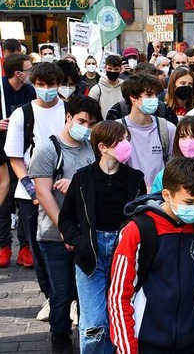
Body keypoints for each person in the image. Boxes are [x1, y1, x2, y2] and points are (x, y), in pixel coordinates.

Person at [109, 157, 194, 354]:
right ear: (167, 195)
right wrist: (127, 349)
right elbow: (119, 297)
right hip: (147, 343)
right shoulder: (137, 231)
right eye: (189, 201)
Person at [58, 121, 146, 354]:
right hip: (91, 254)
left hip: (124, 251)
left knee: (121, 315)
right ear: (103, 147)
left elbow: (142, 217)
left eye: (127, 139)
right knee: (94, 322)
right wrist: (79, 241)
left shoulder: (135, 178)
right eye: (120, 141)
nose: (126, 145)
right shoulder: (83, 178)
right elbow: (66, 218)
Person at [29, 95, 102, 353]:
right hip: (54, 234)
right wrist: (65, 230)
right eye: (82, 120)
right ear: (68, 117)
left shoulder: (92, 148)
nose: (86, 127)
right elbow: (43, 193)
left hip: (86, 233)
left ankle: (86, 332)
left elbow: (97, 184)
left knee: (86, 290)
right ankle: (59, 335)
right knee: (61, 292)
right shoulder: (48, 149)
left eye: (91, 123)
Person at [4, 62, 69, 320]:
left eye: (51, 85)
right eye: (41, 85)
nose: (47, 90)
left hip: (66, 188)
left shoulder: (69, 110)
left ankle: (70, 298)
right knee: (40, 249)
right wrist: (32, 189)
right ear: (34, 84)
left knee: (68, 244)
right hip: (30, 195)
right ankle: (51, 298)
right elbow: (15, 158)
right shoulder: (23, 114)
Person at [0, 53, 37, 268]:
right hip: (2, 154)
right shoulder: (1, 89)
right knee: (4, 202)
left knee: (25, 200)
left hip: (23, 154)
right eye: (28, 69)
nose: (30, 73)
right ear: (17, 73)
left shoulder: (29, 91)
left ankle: (25, 247)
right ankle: (3, 245)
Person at [117, 74, 176, 189]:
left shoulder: (167, 128)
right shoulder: (117, 129)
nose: (154, 99)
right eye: (148, 95)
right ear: (133, 97)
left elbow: (174, 167)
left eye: (156, 95)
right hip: (128, 196)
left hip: (159, 196)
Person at [89, 54, 125, 119]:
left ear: (121, 69)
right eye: (110, 68)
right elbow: (90, 111)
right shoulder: (97, 89)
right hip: (103, 126)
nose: (112, 71)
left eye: (116, 69)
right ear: (105, 68)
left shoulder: (125, 88)